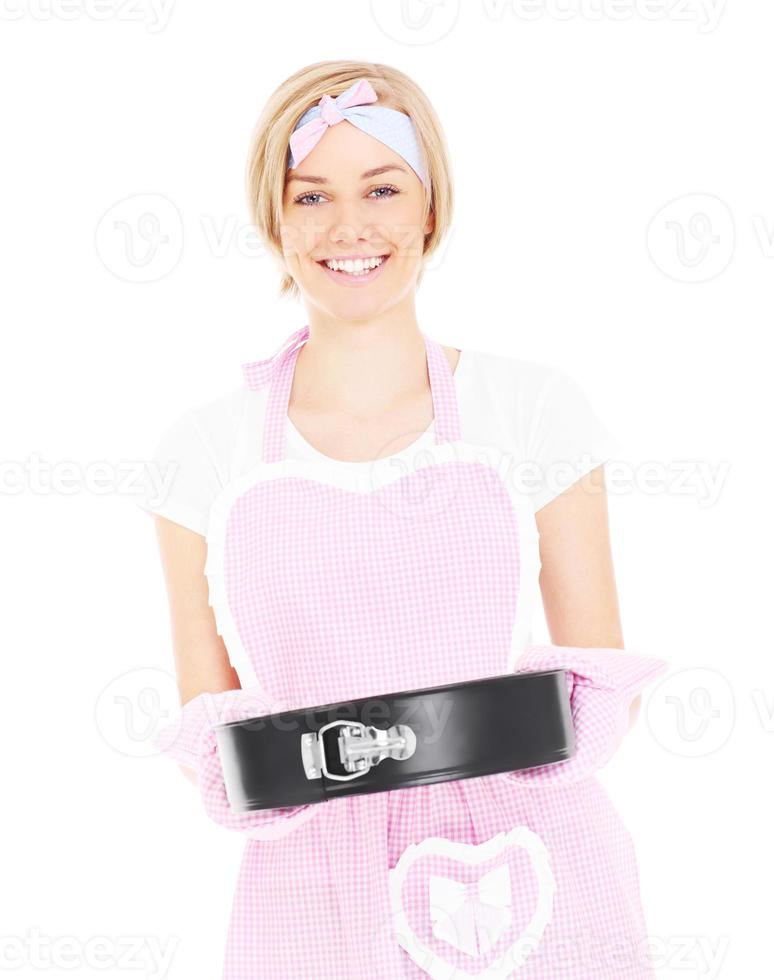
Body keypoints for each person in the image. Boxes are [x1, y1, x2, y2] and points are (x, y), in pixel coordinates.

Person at [137, 60, 668, 980]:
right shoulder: (202, 455)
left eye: (383, 187)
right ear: (274, 220)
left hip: (526, 871)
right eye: (312, 196)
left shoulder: (533, 409)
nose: (351, 226)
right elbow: (211, 735)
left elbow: (597, 687)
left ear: (431, 209)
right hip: (310, 900)